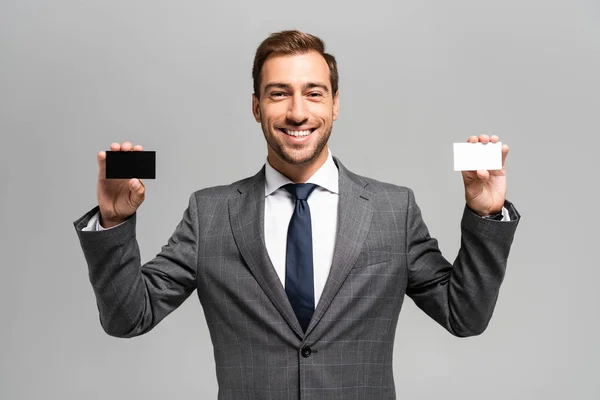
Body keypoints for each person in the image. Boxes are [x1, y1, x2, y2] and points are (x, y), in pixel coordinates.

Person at [73, 30, 520, 400]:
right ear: (256, 108)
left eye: (313, 93)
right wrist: (113, 223)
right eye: (278, 94)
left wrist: (487, 213)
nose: (297, 112)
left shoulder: (392, 209)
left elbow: (465, 316)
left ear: (335, 105)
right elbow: (128, 318)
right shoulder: (209, 213)